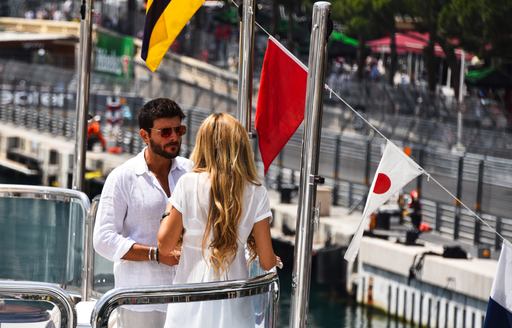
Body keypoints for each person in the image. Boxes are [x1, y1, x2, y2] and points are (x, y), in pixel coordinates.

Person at [158, 113, 279, 328]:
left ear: (203, 144)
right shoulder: (256, 191)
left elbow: (165, 245)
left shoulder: (187, 184)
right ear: (240, 145)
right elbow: (267, 261)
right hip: (233, 302)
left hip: (189, 299)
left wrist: (170, 206)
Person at [93, 98, 193, 328]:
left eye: (179, 130)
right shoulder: (122, 177)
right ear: (145, 136)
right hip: (139, 299)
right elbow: (103, 239)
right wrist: (156, 254)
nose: (174, 137)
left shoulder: (191, 171)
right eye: (165, 132)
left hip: (186, 295)